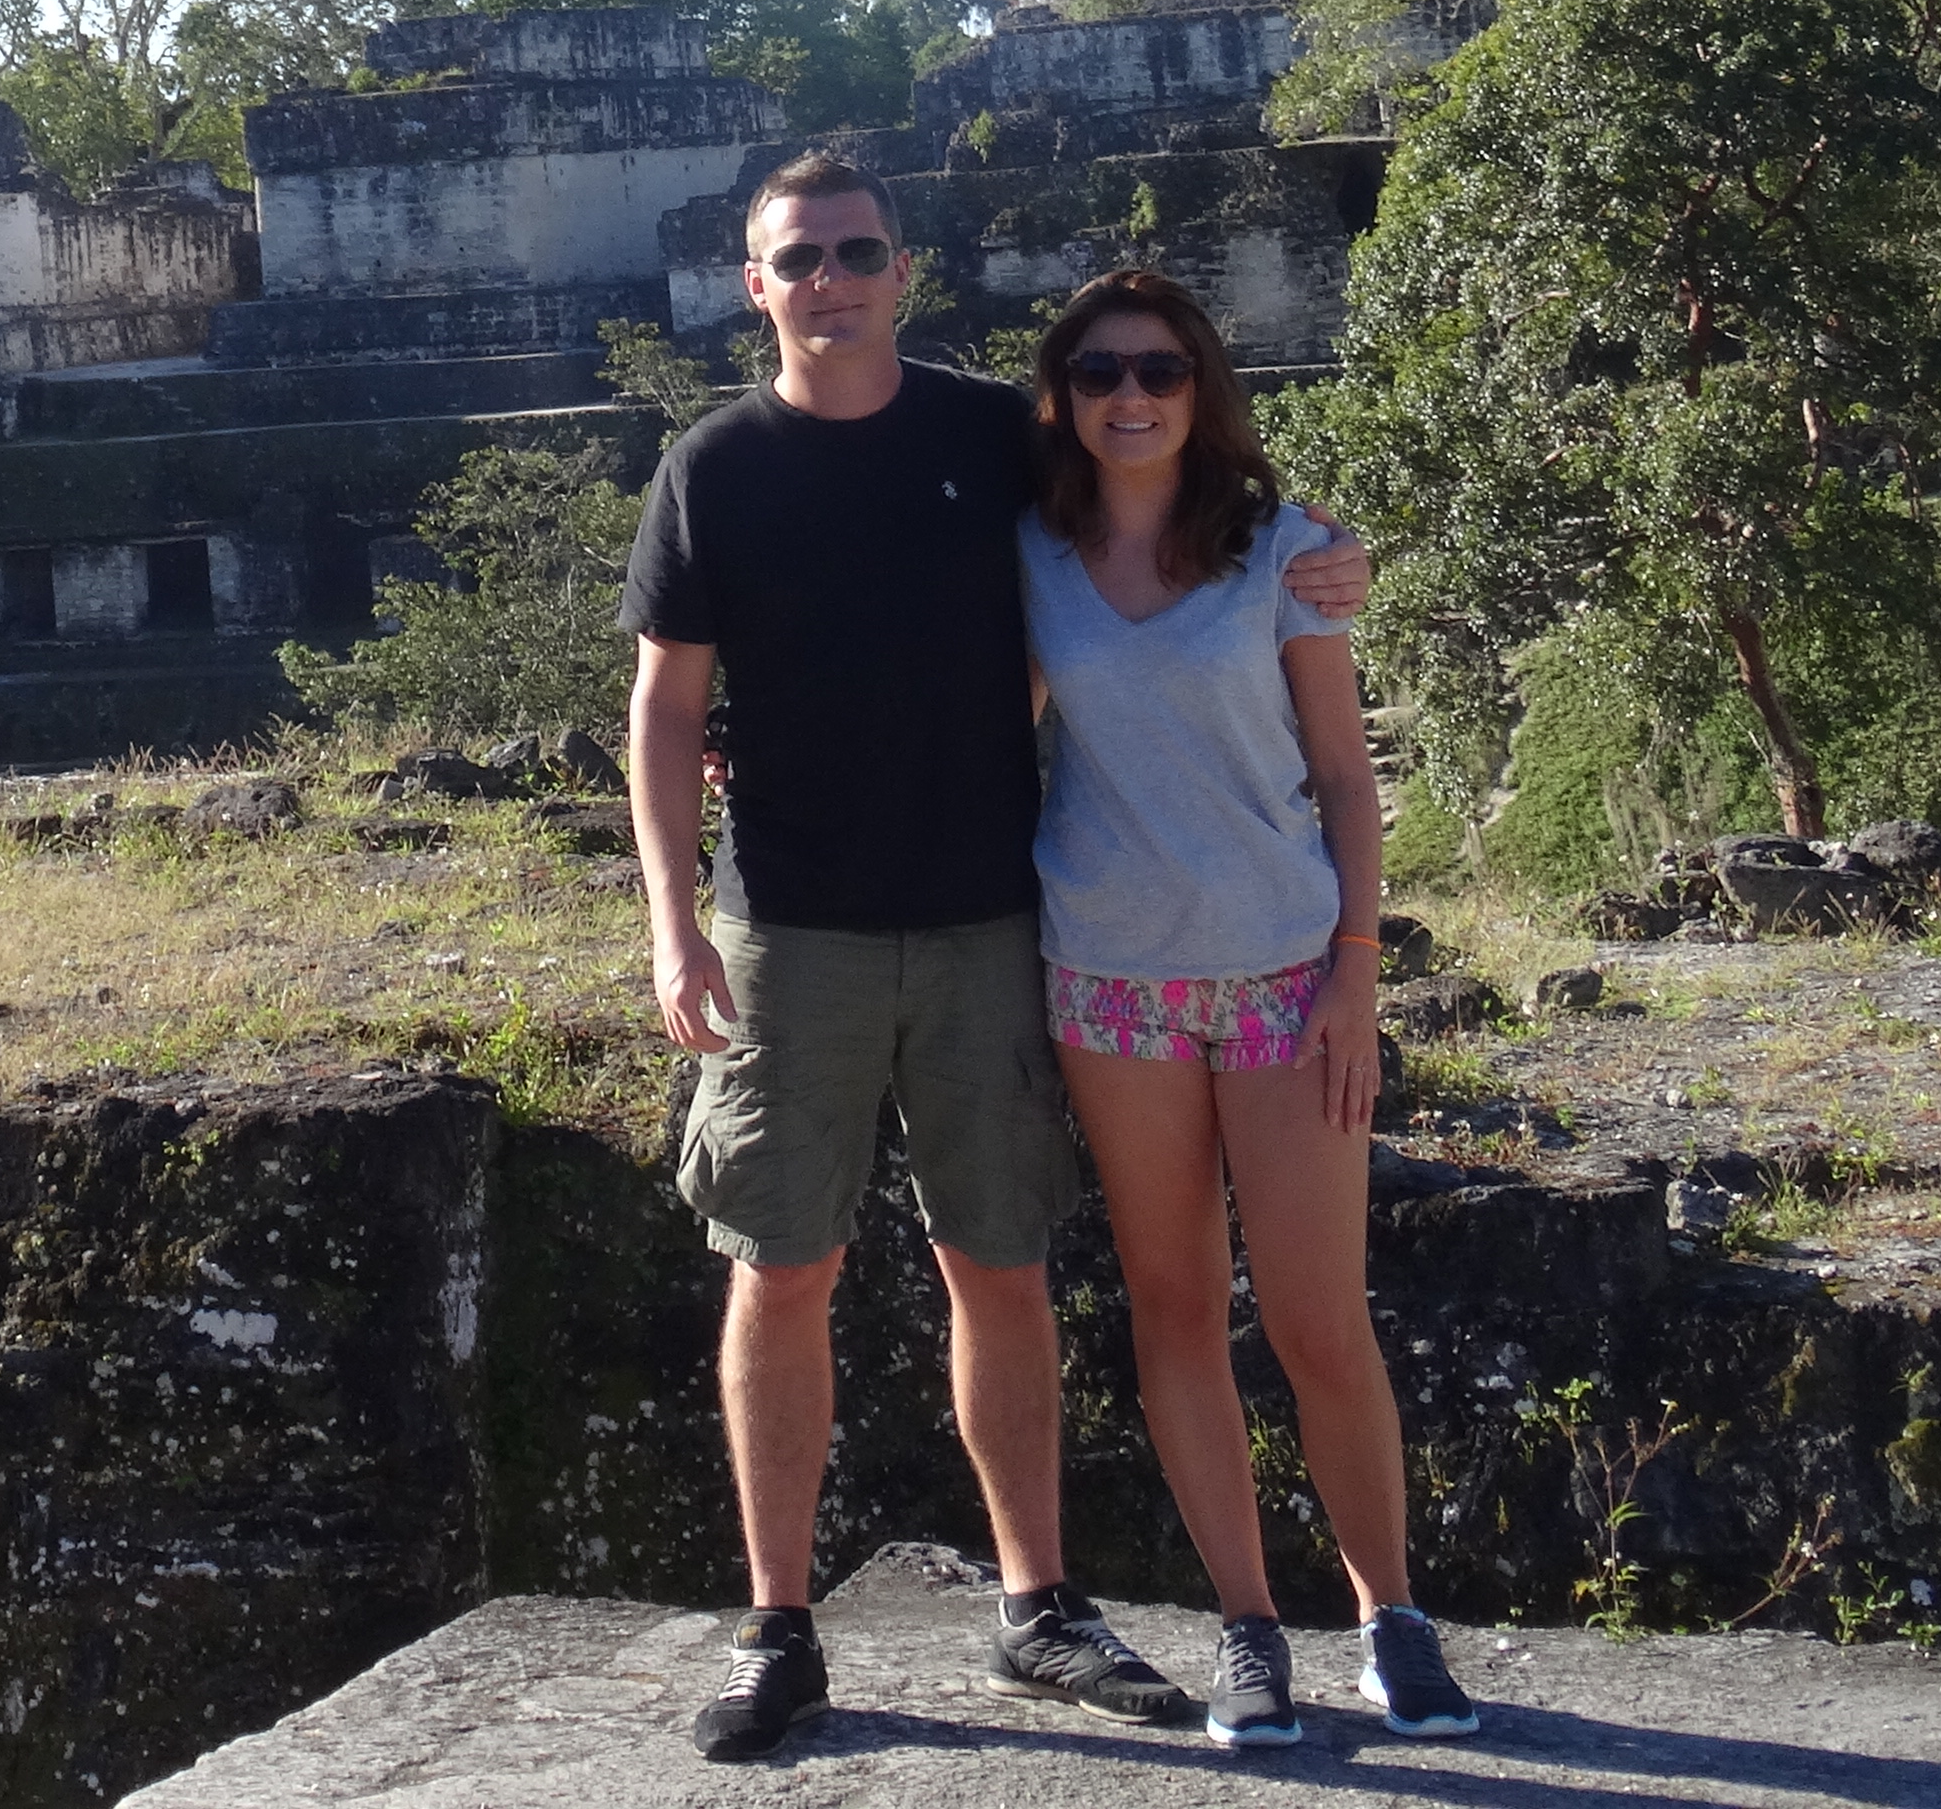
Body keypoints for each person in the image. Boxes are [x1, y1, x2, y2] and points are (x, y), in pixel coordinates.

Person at [623, 153, 1368, 1763]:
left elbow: (1163, 477)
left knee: (1000, 1262)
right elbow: (669, 707)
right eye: (798, 256)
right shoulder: (713, 468)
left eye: (858, 250)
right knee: (781, 1263)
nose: (831, 277)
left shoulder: (990, 439)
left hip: (988, 916)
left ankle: (1036, 1603)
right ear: (755, 284)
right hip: (792, 925)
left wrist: (1322, 558)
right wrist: (675, 918)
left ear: (905, 271)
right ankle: (779, 1623)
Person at [1022, 264, 1479, 1747]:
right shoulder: (1031, 557)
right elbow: (961, 726)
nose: (1131, 396)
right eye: (1099, 374)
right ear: (1065, 399)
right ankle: (1246, 1624)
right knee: (1174, 1310)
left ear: (1203, 386)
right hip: (1113, 985)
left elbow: (1347, 777)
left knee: (1315, 1314)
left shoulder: (1284, 550)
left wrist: (1360, 968)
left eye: (1159, 369)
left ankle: (1390, 1614)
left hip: (1286, 976)